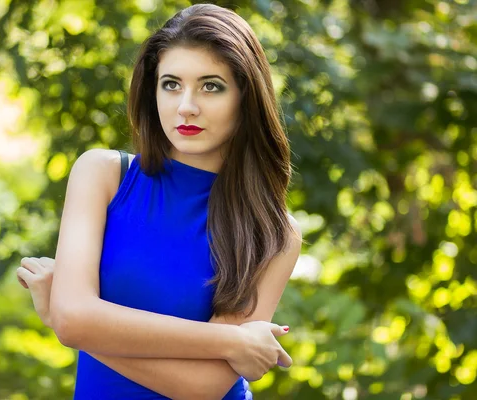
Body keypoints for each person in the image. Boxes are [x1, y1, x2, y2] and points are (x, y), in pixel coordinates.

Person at [16, 3, 302, 399]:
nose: (186, 105)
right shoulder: (103, 175)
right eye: (171, 84)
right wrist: (230, 342)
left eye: (211, 85)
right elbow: (73, 319)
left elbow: (203, 388)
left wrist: (72, 324)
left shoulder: (273, 231)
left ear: (246, 98)